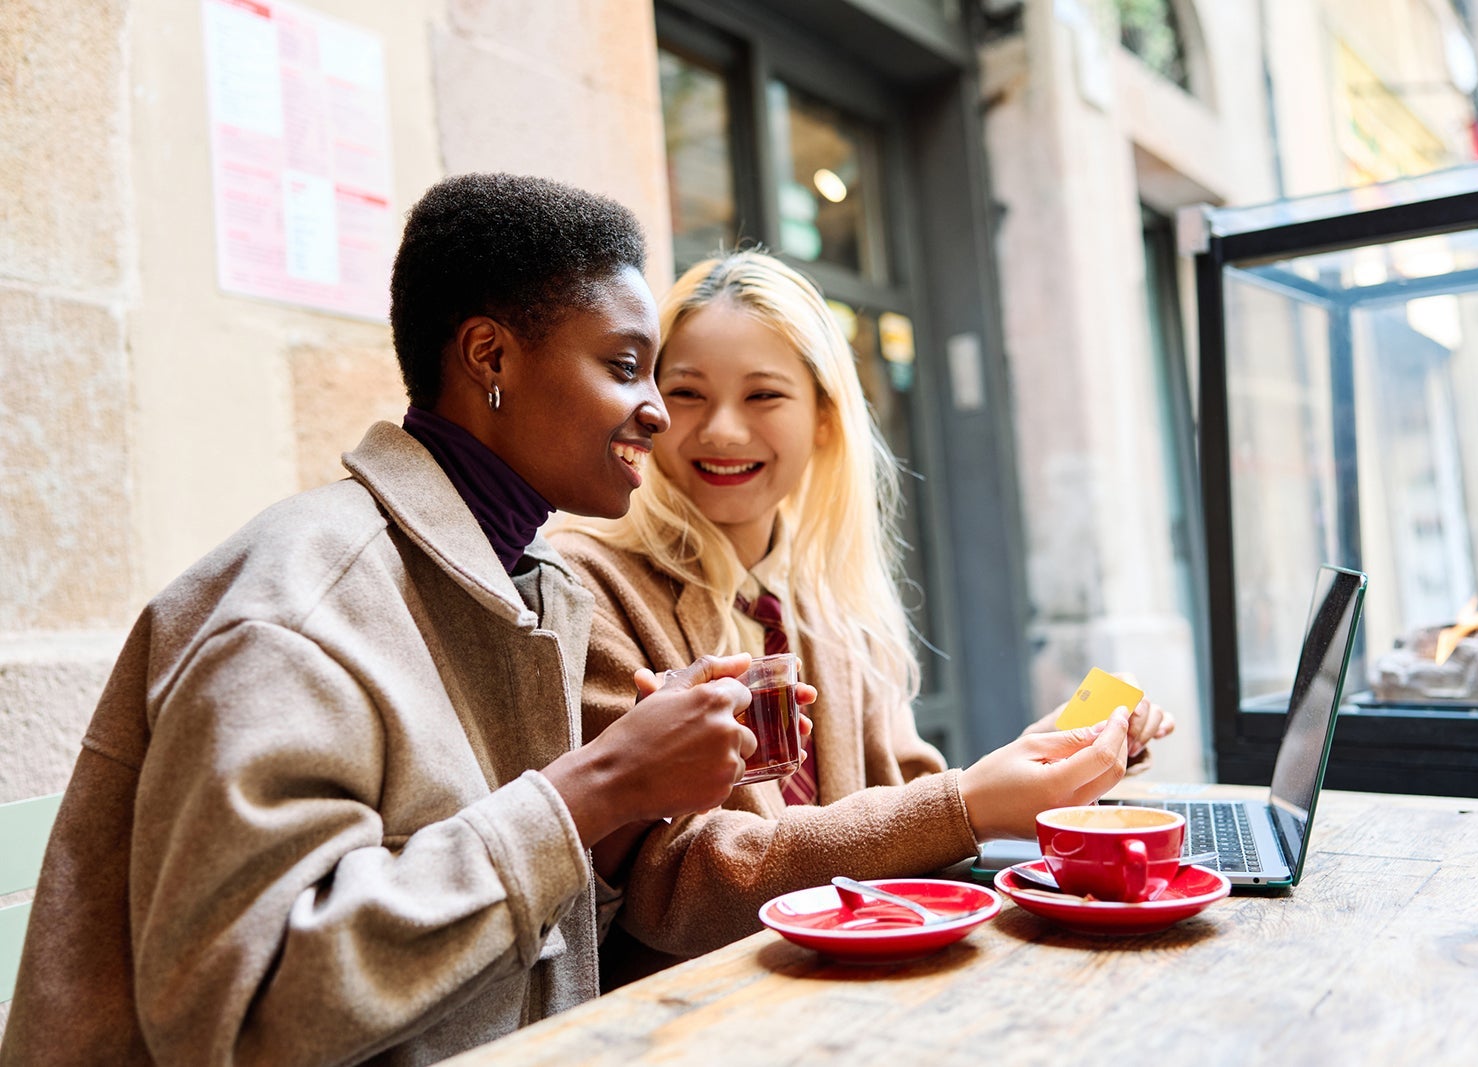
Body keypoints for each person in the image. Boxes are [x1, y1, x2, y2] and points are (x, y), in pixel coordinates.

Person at [0, 175, 761, 1067]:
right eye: (625, 366)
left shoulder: (529, 584)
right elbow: (246, 1017)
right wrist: (594, 784)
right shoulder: (296, 604)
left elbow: (503, 957)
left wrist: (628, 800)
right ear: (489, 357)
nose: (659, 411)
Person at [549, 249, 1174, 978]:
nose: (721, 429)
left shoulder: (831, 597)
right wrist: (968, 801)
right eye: (686, 392)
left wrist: (1046, 762)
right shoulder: (587, 584)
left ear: (823, 418)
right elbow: (669, 890)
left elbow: (910, 812)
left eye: (763, 396)